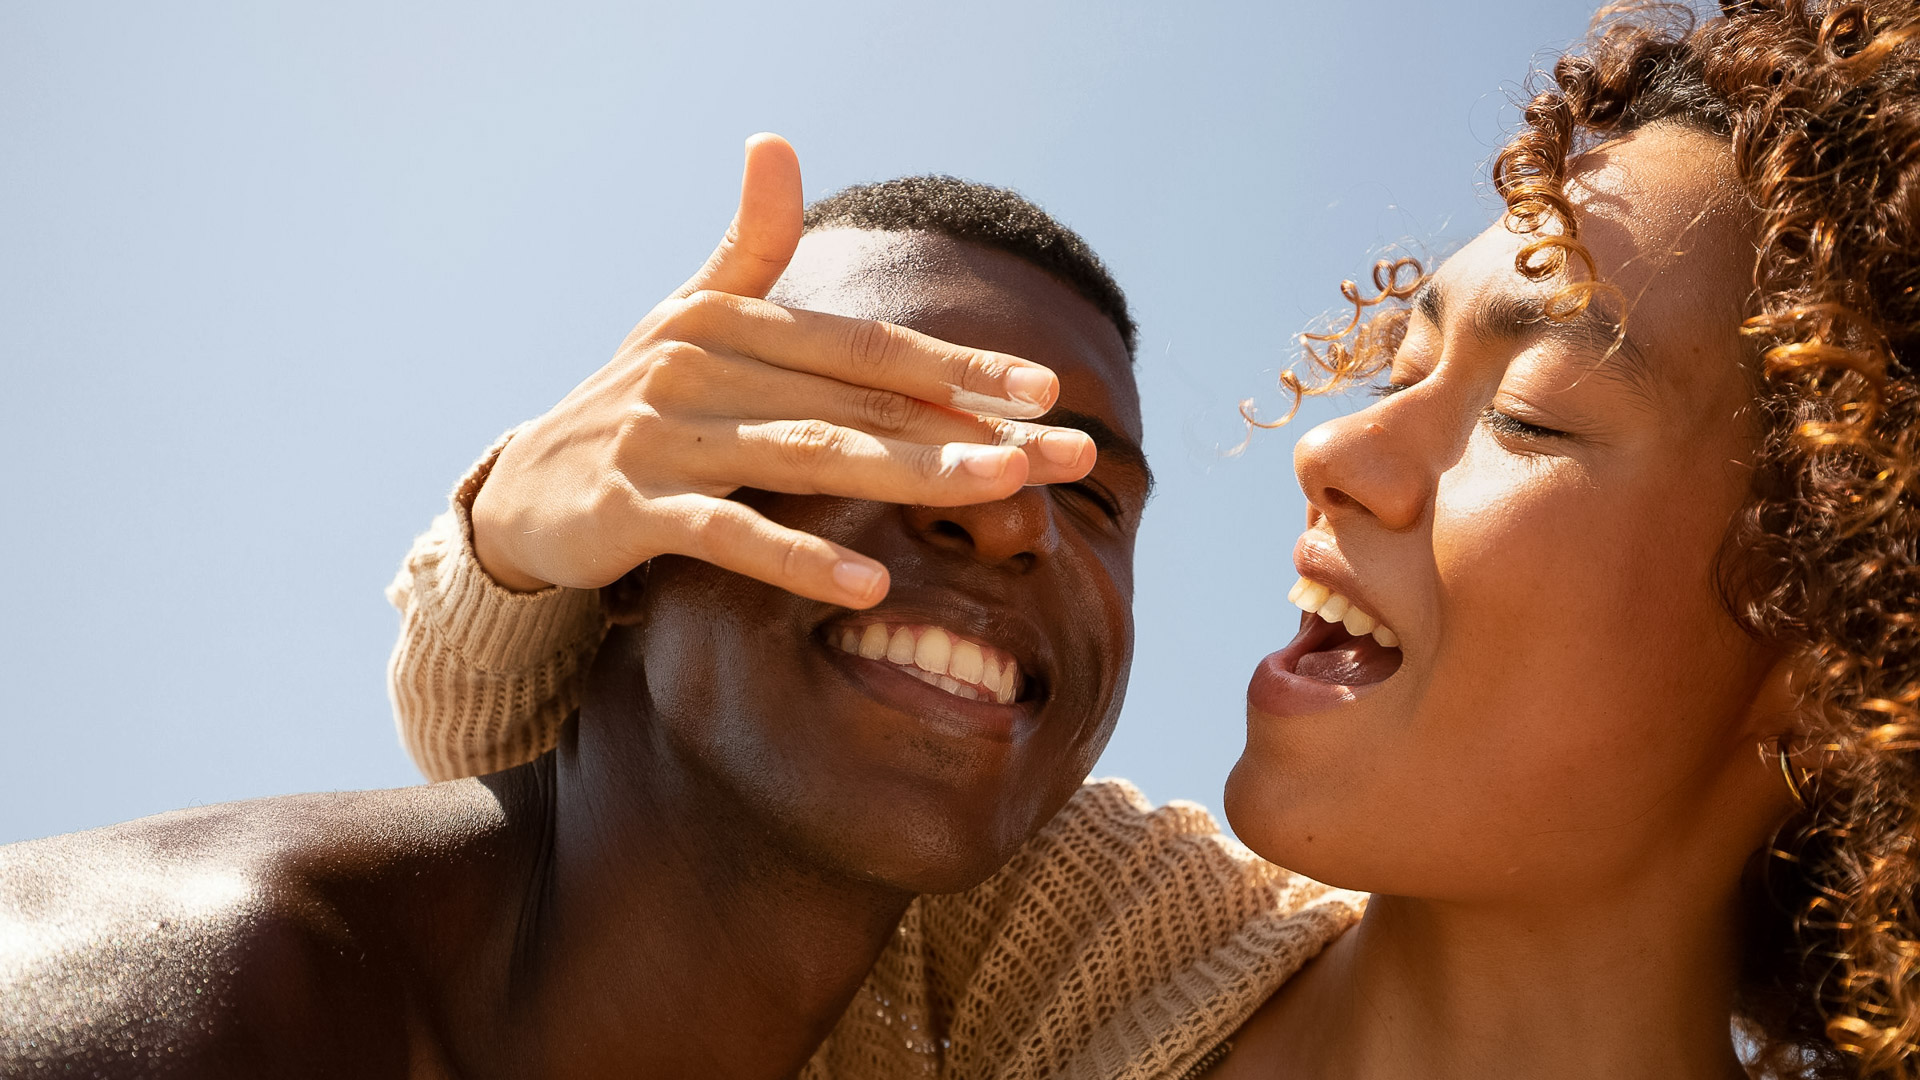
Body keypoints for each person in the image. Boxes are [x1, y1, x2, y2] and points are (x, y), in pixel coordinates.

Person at [389, 2, 1920, 1078]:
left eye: (1529, 411)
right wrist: (526, 530)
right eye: (1398, 363)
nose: (1329, 450)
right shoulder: (1064, 943)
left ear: (1840, 628)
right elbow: (549, 770)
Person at [0, 139, 1358, 1079]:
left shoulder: (1049, 943)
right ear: (617, 510)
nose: (1008, 512)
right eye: (869, 421)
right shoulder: (197, 998)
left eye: (1094, 495)